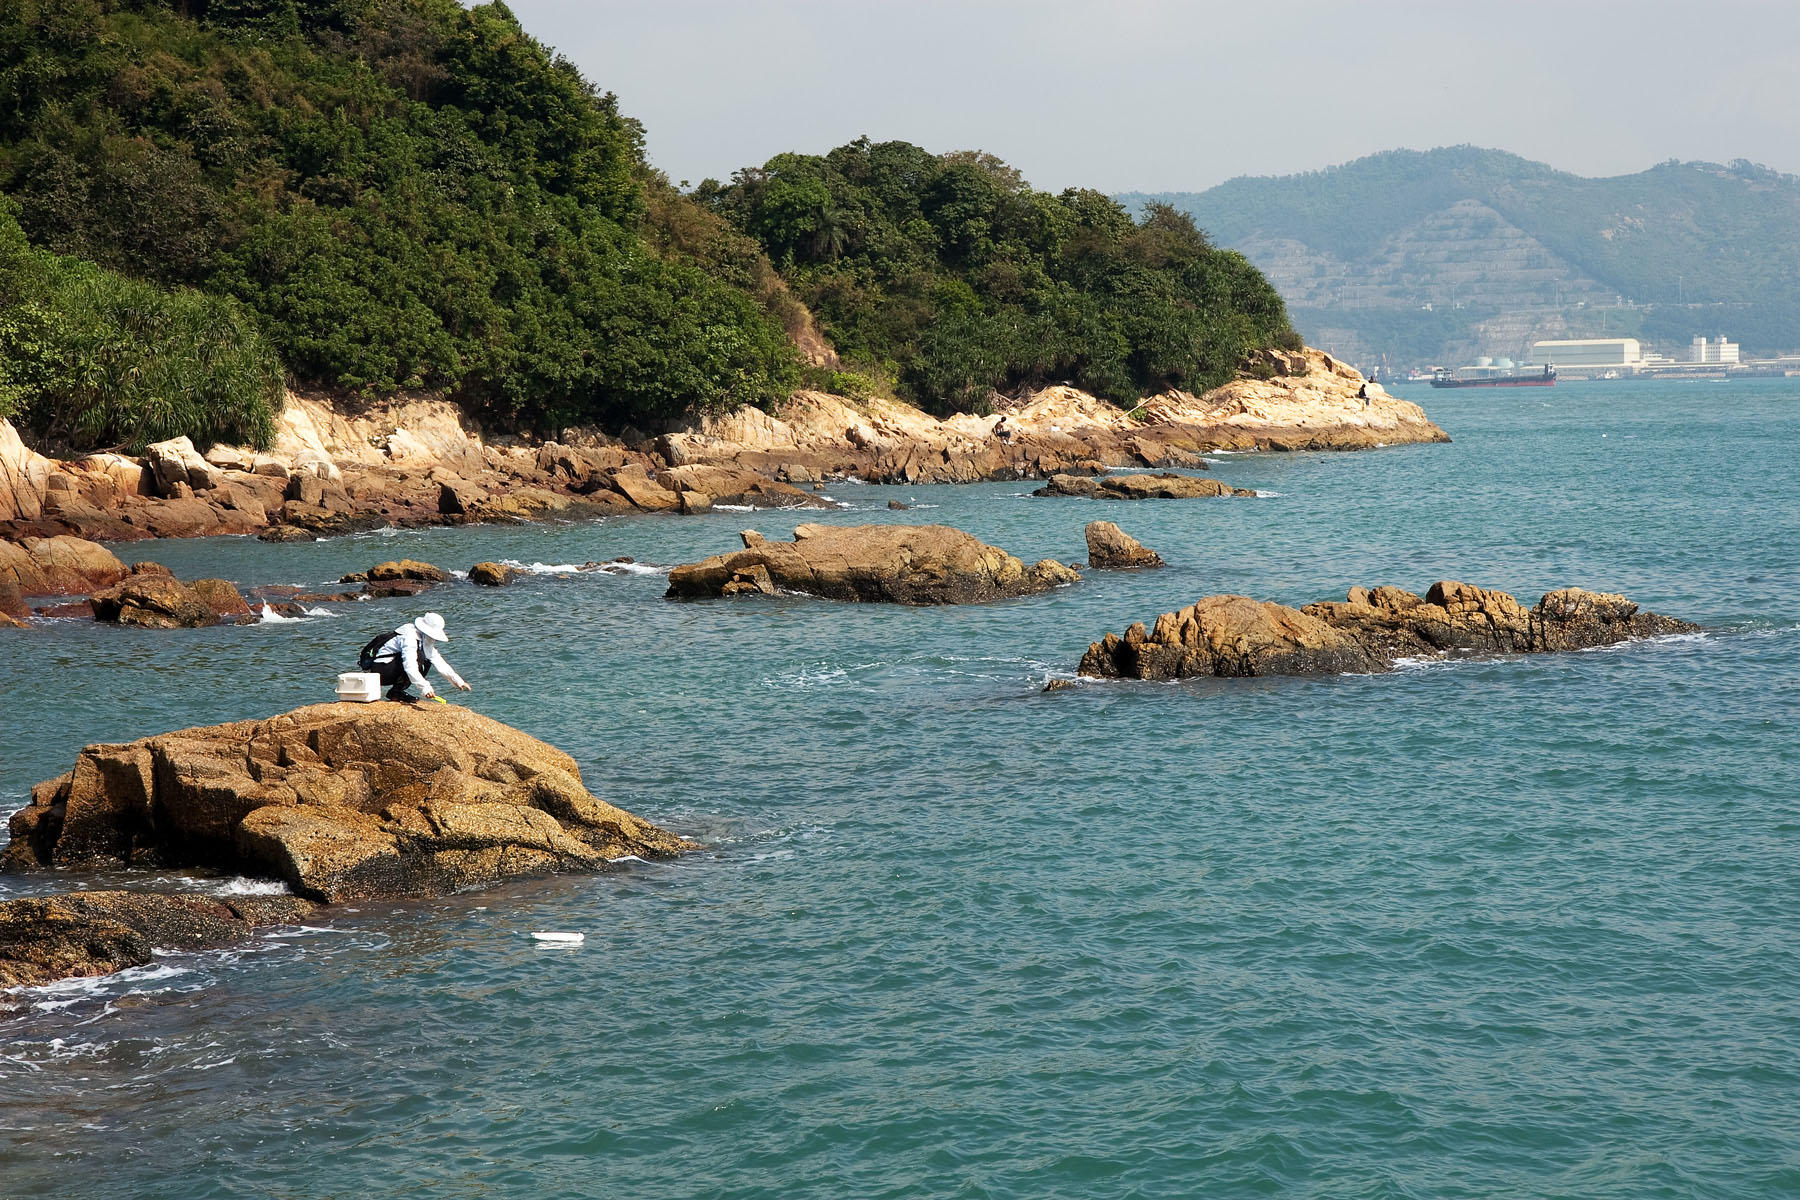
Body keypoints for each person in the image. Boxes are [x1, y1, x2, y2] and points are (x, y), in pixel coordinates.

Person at [357, 612, 472, 702]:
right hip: (380, 671)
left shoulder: (423, 638)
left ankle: (396, 692)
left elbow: (437, 660)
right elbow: (409, 666)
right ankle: (396, 692)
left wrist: (458, 681)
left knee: (426, 660)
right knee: (419, 657)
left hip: (388, 668)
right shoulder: (409, 636)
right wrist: (425, 688)